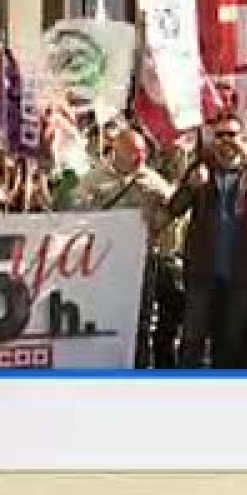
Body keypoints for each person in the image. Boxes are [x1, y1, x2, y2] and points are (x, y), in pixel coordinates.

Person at [167, 111, 247, 368]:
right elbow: (173, 209)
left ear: (242, 138)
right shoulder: (200, 168)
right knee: (192, 340)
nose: (226, 140)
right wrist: (190, 188)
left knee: (230, 343)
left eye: (231, 134)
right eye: (220, 135)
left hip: (241, 275)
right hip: (202, 272)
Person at [77, 125, 176, 367]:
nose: (140, 157)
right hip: (106, 261)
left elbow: (173, 210)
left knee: (141, 320)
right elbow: (77, 214)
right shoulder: (94, 179)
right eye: (133, 151)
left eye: (143, 152)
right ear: (117, 151)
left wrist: (161, 206)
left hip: (142, 261)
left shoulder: (152, 180)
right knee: (108, 318)